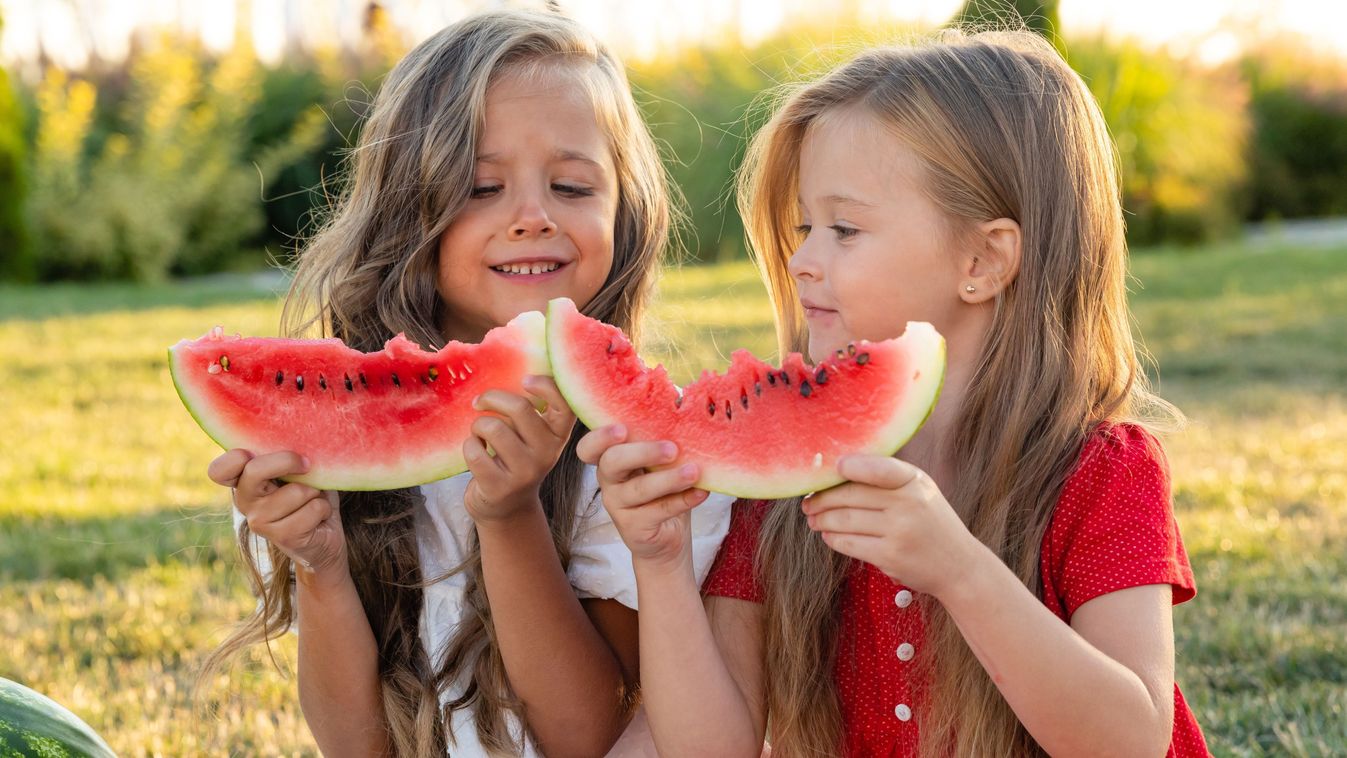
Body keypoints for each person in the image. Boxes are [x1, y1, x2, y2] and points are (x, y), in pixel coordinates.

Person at [582, 29, 1210, 757]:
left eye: (843, 229)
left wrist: (959, 569)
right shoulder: (784, 485)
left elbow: (1129, 740)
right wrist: (658, 564)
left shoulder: (1101, 472)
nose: (802, 261)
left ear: (982, 259)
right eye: (803, 227)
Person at [198, 9, 731, 756]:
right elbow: (356, 746)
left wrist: (508, 515)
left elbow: (585, 736)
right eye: (482, 187)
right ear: (405, 208)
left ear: (626, 211)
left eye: (573, 186)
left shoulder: (639, 461)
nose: (533, 216)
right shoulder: (320, 446)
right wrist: (319, 566)